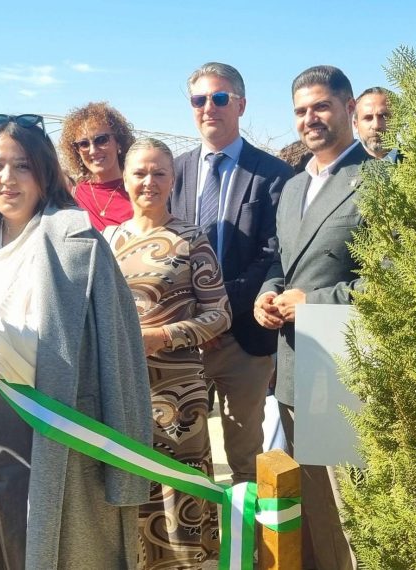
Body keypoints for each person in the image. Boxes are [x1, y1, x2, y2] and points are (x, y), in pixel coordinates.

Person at [0, 113, 151, 569]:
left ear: (45, 172)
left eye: (22, 166)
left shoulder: (74, 241)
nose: (7, 179)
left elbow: (82, 351)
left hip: (34, 435)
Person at [254, 65, 369, 570]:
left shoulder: (381, 180)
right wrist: (268, 294)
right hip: (294, 366)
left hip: (345, 366)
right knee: (316, 510)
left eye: (321, 106)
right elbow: (281, 262)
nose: (310, 119)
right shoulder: (294, 186)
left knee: (353, 514)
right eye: (301, 111)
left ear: (349, 107)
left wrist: (313, 303)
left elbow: (393, 280)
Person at [104, 137, 231, 568]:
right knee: (133, 482)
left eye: (159, 173)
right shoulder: (108, 239)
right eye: (140, 173)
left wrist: (163, 336)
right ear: (124, 179)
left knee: (181, 493)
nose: (149, 182)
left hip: (179, 394)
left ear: (172, 179)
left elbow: (220, 314)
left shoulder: (191, 238)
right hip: (124, 389)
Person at [169, 62, 295, 485]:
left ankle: (248, 532)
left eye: (220, 98)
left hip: (244, 340)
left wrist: (217, 314)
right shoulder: (174, 171)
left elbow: (272, 253)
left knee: (246, 460)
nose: (209, 107)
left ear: (240, 105)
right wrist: (196, 319)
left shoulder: (274, 175)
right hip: (185, 342)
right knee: (182, 453)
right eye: (199, 99)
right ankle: (195, 529)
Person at [58, 102, 135, 230]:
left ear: (118, 142)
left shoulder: (138, 191)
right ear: (77, 151)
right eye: (84, 144)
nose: (93, 151)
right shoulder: (73, 197)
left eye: (101, 140)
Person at [354, 86, 399, 162]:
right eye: (368, 118)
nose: (376, 126)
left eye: (383, 116)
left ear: (398, 121)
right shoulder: (343, 167)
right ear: (356, 125)